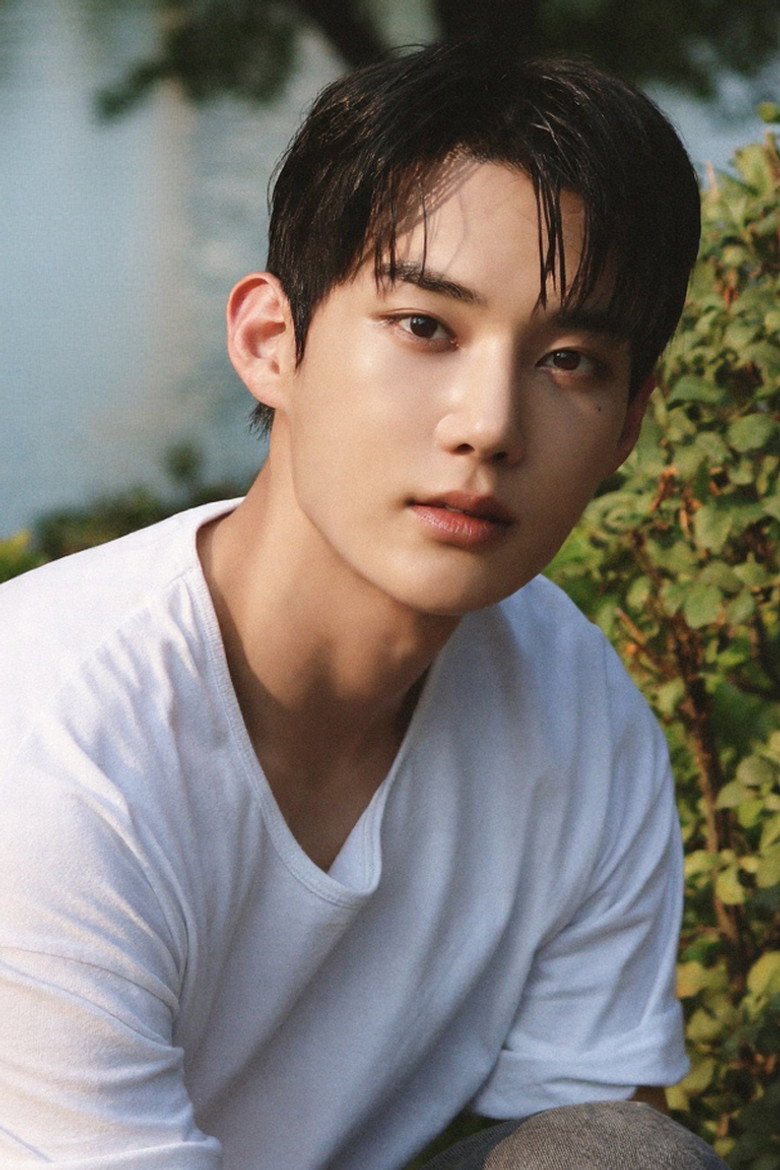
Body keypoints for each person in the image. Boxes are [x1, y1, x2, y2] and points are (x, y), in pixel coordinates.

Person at [0, 40, 727, 1170]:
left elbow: (596, 1133)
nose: (489, 426)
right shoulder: (55, 749)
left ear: (628, 427)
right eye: (426, 327)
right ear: (270, 343)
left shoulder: (575, 708)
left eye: (569, 360)